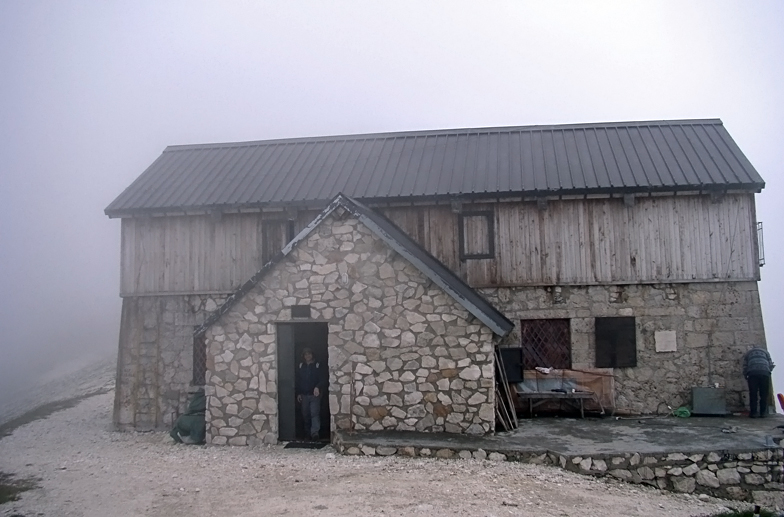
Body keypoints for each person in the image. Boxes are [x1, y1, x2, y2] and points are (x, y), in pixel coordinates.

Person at [296, 347, 326, 440]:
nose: (307, 356)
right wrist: (298, 393)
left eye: (309, 353)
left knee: (314, 413)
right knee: (305, 414)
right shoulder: (301, 366)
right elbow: (298, 381)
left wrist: (318, 387)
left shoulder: (318, 365)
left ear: (312, 355)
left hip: (314, 395)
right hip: (304, 394)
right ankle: (307, 433)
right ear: (303, 356)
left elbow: (323, 379)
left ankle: (314, 434)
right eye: (305, 354)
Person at [743, 346, 775, 417]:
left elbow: (745, 366)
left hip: (753, 373)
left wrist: (745, 375)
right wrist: (768, 371)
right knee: (764, 394)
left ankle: (753, 413)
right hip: (764, 373)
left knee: (753, 394)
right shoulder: (766, 352)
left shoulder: (748, 353)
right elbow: (770, 364)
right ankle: (763, 413)